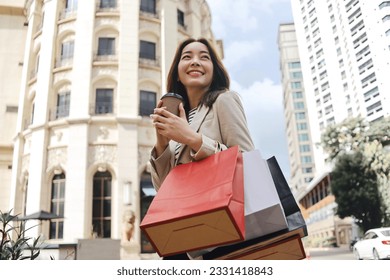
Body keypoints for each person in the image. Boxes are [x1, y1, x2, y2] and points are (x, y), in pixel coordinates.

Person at [149, 37, 255, 259]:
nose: (195, 61)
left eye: (204, 57)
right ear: (178, 72)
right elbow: (165, 190)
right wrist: (162, 143)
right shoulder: (179, 119)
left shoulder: (224, 101)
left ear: (214, 70)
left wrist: (193, 138)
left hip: (225, 239)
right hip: (187, 240)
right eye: (187, 57)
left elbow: (248, 163)